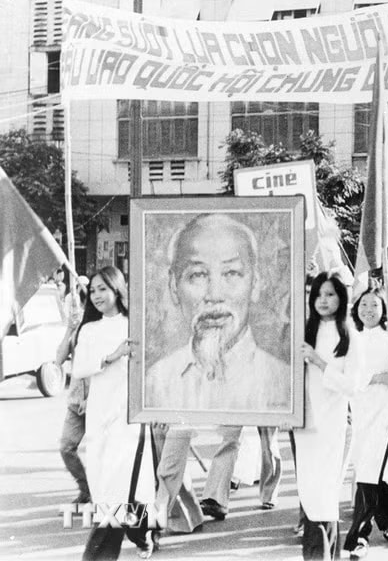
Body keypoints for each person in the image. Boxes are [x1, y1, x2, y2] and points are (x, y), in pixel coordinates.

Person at [145, 214, 289, 411]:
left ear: (255, 284)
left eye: (231, 273)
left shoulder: (283, 381)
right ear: (173, 286)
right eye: (198, 275)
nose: (214, 295)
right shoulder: (156, 382)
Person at [70, 266, 156, 560]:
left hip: (128, 418)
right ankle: (142, 533)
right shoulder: (89, 330)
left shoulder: (134, 325)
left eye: (102, 289)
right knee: (108, 490)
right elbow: (79, 368)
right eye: (92, 290)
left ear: (117, 290)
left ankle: (99, 554)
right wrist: (111, 356)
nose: (96, 296)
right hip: (99, 417)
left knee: (116, 493)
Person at [294, 272, 360, 559]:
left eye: (330, 294)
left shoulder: (350, 335)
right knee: (310, 494)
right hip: (304, 426)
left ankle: (320, 554)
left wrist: (319, 362)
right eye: (318, 294)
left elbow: (353, 385)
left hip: (333, 424)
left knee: (325, 495)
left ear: (341, 298)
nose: (323, 300)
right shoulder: (303, 331)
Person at [344, 286, 388, 559]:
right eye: (363, 305)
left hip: (384, 411)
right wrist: (373, 378)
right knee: (367, 470)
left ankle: (359, 537)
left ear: (384, 309)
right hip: (360, 411)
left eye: (374, 305)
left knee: (369, 473)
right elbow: (347, 375)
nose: (368, 310)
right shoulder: (352, 338)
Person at [56, 279, 91, 505]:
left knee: (102, 453)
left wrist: (92, 397)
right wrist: (70, 328)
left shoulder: (103, 328)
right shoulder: (78, 329)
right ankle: (86, 488)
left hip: (99, 401)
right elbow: (59, 359)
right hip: (76, 400)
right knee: (66, 447)